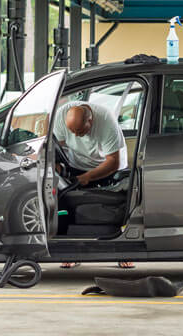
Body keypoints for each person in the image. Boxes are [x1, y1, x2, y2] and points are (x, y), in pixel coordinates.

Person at [54, 101, 134, 269]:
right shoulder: (62, 116)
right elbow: (55, 146)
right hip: (78, 164)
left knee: (114, 211)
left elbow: (113, 161)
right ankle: (74, 254)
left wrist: (88, 177)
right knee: (72, 209)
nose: (75, 136)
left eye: (80, 131)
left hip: (108, 166)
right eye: (72, 131)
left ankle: (123, 252)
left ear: (90, 121)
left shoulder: (106, 120)